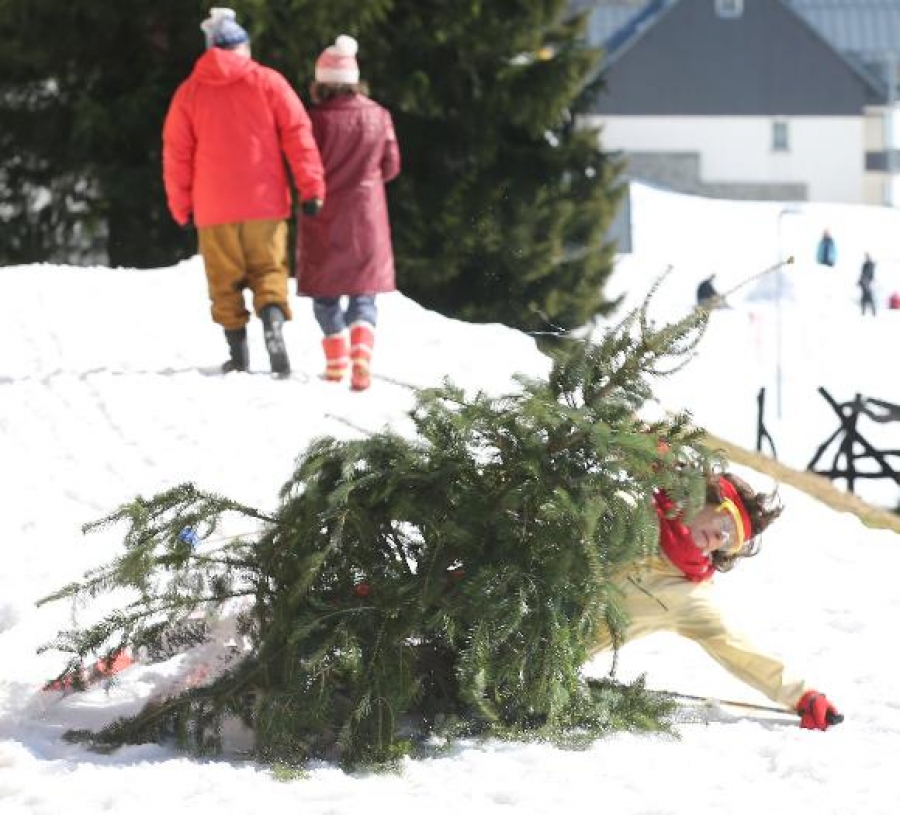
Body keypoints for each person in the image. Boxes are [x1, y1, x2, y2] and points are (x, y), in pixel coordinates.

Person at [590, 470, 842, 731]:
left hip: (563, 652)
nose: (721, 538)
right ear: (705, 498)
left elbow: (736, 648)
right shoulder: (633, 507)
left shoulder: (687, 593)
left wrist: (802, 695)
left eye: (731, 541)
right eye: (726, 524)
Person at [163, 7, 325, 377]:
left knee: (224, 281)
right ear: (243, 47)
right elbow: (298, 135)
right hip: (265, 204)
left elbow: (176, 154)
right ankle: (272, 323)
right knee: (269, 271)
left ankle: (238, 354)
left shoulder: (189, 92)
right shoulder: (269, 82)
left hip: (213, 207)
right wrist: (311, 188)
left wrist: (181, 206)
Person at [296, 35, 401, 392]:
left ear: (321, 82)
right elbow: (391, 166)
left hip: (323, 217)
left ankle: (337, 360)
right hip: (367, 218)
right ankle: (361, 357)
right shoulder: (379, 115)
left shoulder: (312, 120)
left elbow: (302, 166)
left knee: (325, 294)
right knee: (363, 293)